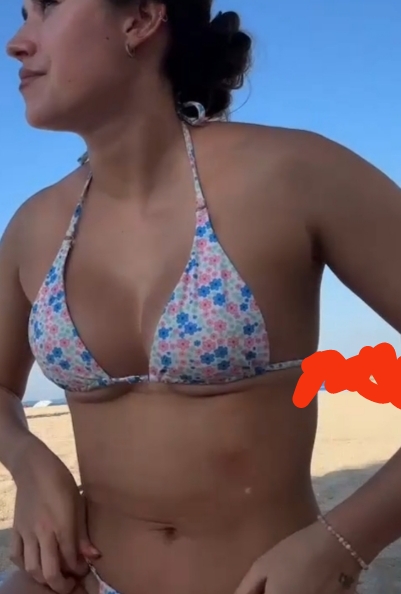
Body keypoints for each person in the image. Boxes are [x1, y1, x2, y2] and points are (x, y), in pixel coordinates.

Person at [1, 0, 401, 593]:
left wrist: (341, 543)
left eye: (49, 7)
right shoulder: (33, 226)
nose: (16, 41)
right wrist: (28, 462)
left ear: (140, 18)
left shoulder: (292, 174)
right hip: (82, 580)